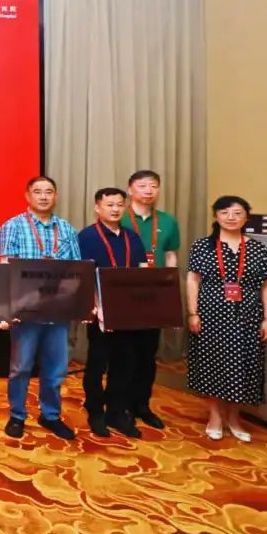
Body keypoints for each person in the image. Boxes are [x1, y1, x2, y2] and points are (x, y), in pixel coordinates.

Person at [0, 176, 81, 440]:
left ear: (56, 196)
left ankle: (50, 415)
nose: (43, 196)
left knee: (56, 369)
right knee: (21, 367)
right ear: (27, 195)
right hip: (26, 311)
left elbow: (77, 269)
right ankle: (17, 415)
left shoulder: (66, 229)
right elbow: (7, 269)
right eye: (37, 191)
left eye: (49, 192)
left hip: (58, 311)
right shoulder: (13, 226)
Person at [186, 196, 267, 442]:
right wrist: (193, 313)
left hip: (248, 317)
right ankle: (215, 416)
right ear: (215, 216)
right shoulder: (202, 246)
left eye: (237, 213)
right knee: (213, 365)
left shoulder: (258, 249)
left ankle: (235, 417)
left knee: (244, 367)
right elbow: (193, 279)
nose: (231, 217)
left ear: (246, 217)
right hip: (211, 316)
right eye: (224, 212)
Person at [78, 187, 148, 439]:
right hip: (100, 312)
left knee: (125, 363)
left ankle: (116, 412)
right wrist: (94, 305)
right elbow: (83, 275)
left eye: (119, 205)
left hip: (128, 312)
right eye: (109, 205)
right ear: (97, 208)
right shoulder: (86, 237)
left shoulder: (132, 237)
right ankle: (95, 411)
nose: (115, 209)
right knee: (97, 363)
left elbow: (141, 270)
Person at [121, 169, 181, 429]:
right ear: (130, 189)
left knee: (148, 353)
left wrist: (170, 289)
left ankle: (142, 405)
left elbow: (170, 255)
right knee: (125, 353)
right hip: (124, 295)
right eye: (142, 185)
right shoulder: (119, 216)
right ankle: (122, 405)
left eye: (153, 186)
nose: (148, 190)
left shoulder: (168, 221)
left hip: (155, 296)